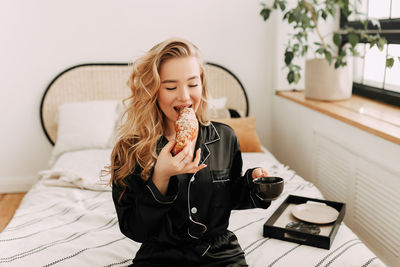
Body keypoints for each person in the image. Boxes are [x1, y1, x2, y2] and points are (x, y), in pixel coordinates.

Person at [110, 37, 271, 267]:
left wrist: (255, 185)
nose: (184, 96)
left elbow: (229, 195)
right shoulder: (130, 150)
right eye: (171, 87)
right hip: (160, 255)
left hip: (219, 254)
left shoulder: (225, 137)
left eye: (193, 84)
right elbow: (135, 229)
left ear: (202, 86)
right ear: (153, 89)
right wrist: (161, 178)